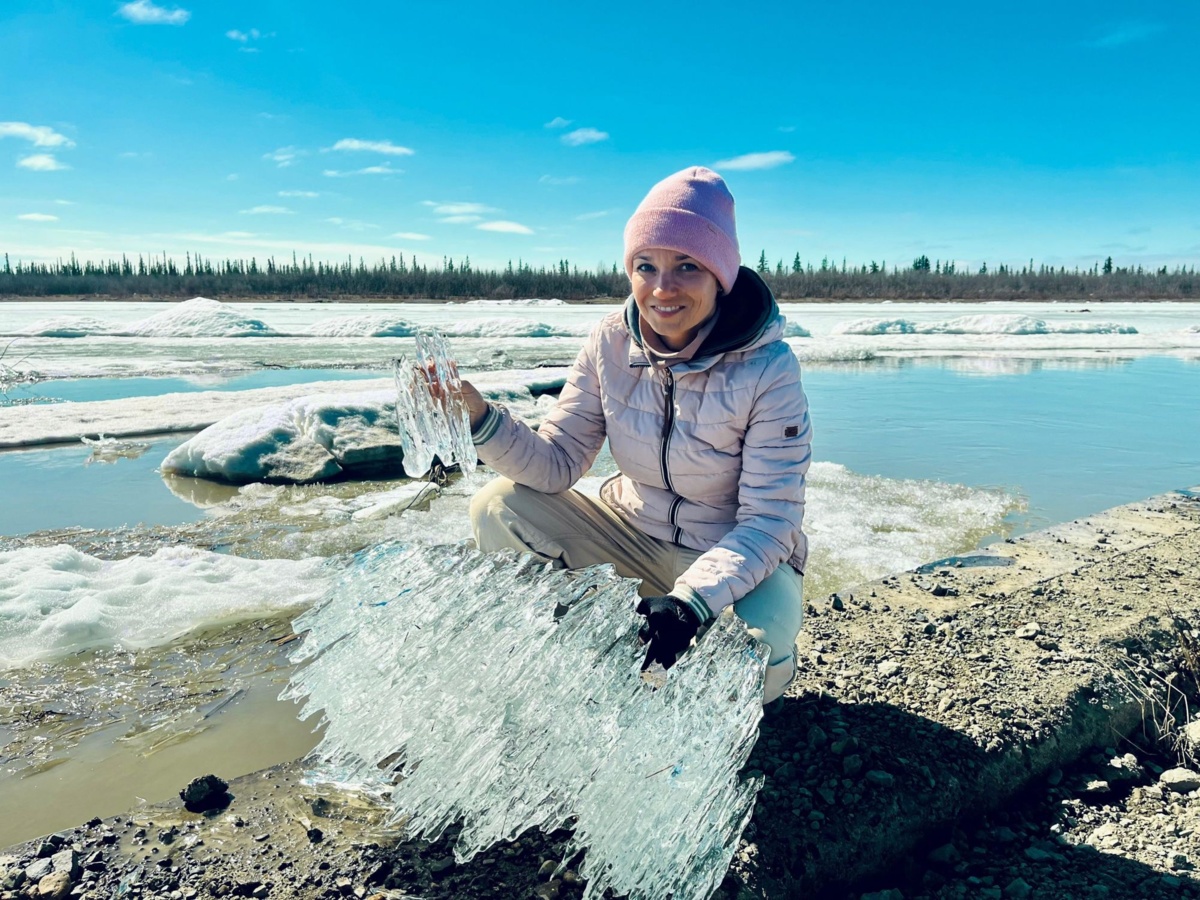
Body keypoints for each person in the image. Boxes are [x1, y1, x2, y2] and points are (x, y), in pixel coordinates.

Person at [457, 166, 811, 704]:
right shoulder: (609, 343)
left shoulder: (769, 370)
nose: (663, 288)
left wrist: (691, 600)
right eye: (646, 266)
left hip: (734, 551)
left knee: (758, 655)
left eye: (687, 267)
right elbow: (556, 463)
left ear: (721, 276)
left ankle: (698, 712)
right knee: (497, 506)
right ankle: (579, 664)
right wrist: (480, 416)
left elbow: (770, 522)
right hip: (631, 529)